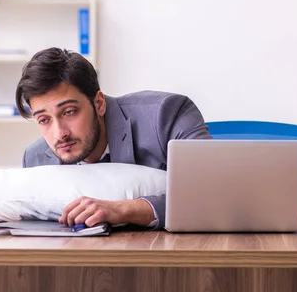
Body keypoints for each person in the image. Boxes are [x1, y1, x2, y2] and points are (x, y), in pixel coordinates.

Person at [15, 47, 212, 230]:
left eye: (69, 112)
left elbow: (211, 192)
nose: (59, 133)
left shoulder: (166, 115)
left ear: (99, 104)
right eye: (44, 120)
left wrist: (124, 209)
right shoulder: (35, 160)